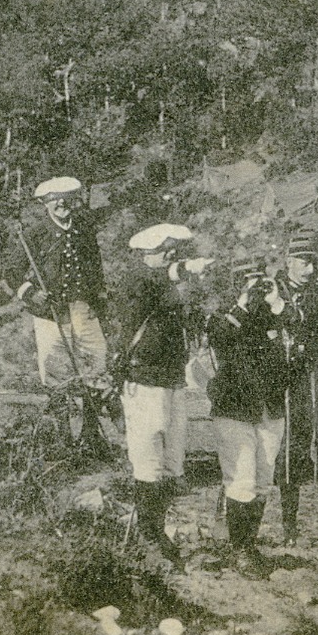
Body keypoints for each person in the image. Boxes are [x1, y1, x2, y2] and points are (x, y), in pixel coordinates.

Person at [110, 223, 196, 571]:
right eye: (166, 253)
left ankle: (156, 530)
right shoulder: (137, 280)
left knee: (172, 458)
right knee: (148, 458)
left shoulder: (162, 282)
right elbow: (150, 292)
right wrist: (181, 272)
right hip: (144, 379)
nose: (172, 257)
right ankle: (149, 536)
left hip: (171, 379)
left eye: (174, 252)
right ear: (149, 254)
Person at [206, 261, 289, 576]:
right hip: (235, 407)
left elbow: (301, 330)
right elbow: (219, 337)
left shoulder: (274, 311)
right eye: (249, 281)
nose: (257, 287)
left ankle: (248, 545)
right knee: (241, 479)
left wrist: (277, 301)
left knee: (264, 481)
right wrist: (242, 303)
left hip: (270, 407)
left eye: (260, 280)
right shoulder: (223, 315)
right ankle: (239, 551)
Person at [18, 176, 108, 386]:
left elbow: (96, 267)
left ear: (74, 200)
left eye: (66, 198)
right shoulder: (35, 234)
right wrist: (31, 293)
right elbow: (12, 270)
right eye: (55, 199)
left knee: (96, 361)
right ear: (45, 203)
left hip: (84, 308)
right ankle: (62, 415)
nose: (61, 203)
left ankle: (92, 416)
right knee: (56, 367)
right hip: (51, 311)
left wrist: (100, 299)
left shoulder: (84, 230)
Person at [274, 237, 318, 546]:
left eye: (313, 264)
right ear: (288, 262)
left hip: (299, 381)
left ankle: (289, 524)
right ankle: (227, 520)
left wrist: (305, 348)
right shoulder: (270, 290)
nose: (310, 270)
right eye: (304, 263)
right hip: (267, 382)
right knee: (253, 447)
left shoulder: (314, 297)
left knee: (295, 448)